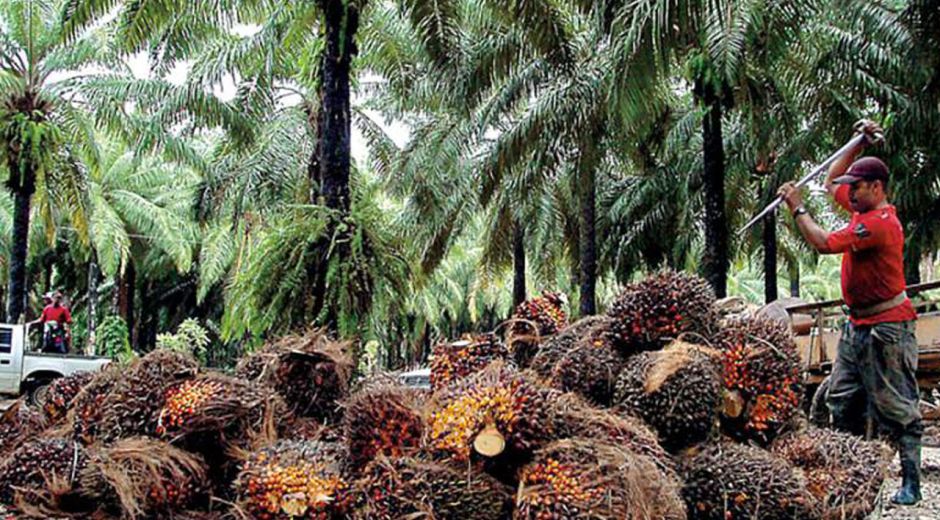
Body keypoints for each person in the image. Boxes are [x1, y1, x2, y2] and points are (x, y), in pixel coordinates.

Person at [777, 120, 921, 505]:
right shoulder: (860, 207)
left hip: (888, 329)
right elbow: (832, 180)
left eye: (857, 186)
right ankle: (853, 474)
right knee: (840, 400)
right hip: (856, 327)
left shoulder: (879, 223)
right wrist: (857, 143)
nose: (849, 192)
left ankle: (911, 483)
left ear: (876, 187)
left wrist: (797, 207)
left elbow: (823, 243)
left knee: (897, 407)